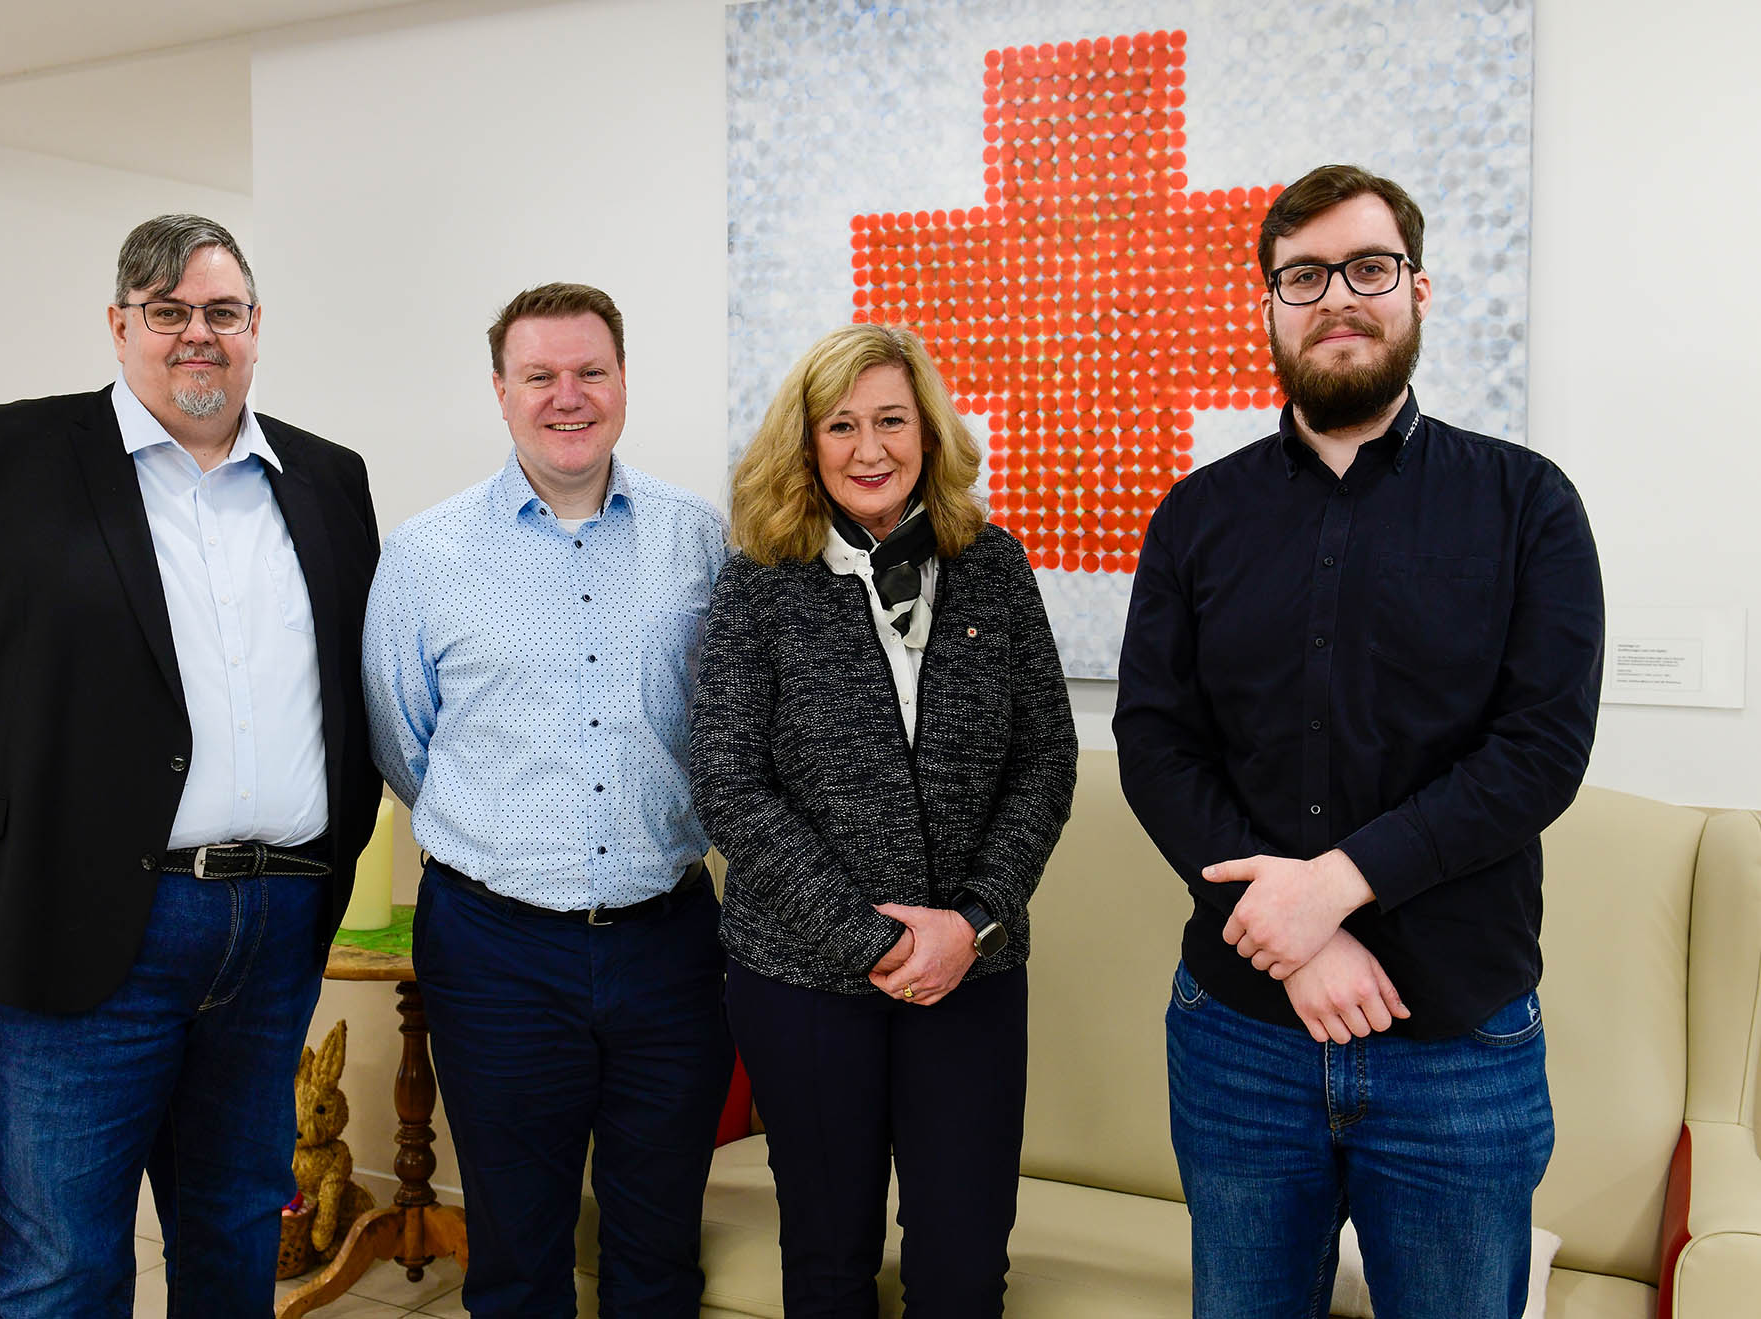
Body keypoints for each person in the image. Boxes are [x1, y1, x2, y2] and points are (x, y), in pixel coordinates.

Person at [0, 214, 382, 1314]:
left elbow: (355, 698)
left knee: (237, 1228)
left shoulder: (328, 479)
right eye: (168, 311)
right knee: (63, 1257)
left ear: (254, 327)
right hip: (70, 920)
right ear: (119, 324)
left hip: (273, 922)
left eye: (221, 312)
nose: (198, 334)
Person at [1113, 164, 1605, 1318]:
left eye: (1368, 267)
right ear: (1270, 306)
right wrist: (1294, 942)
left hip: (1456, 1049)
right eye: (1304, 275)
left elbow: (1540, 750)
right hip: (1240, 1041)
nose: (1338, 295)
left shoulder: (1527, 503)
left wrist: (1332, 887)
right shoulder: (1196, 515)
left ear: (1418, 290)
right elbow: (1155, 742)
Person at [690, 322, 1078, 1317]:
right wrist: (866, 937)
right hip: (804, 980)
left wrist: (974, 917)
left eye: (893, 420)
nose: (871, 447)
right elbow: (730, 783)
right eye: (843, 423)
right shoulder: (758, 580)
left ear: (929, 431)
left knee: (961, 1263)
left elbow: (1045, 759)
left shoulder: (993, 564)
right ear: (807, 442)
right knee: (827, 1259)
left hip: (972, 970)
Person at [363, 283, 734, 1317]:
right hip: (494, 950)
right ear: (501, 391)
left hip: (670, 944)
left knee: (660, 1242)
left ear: (622, 383)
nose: (567, 396)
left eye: (590, 372)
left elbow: (730, 729)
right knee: (520, 1250)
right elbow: (404, 742)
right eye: (541, 376)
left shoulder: (697, 542)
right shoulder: (424, 556)